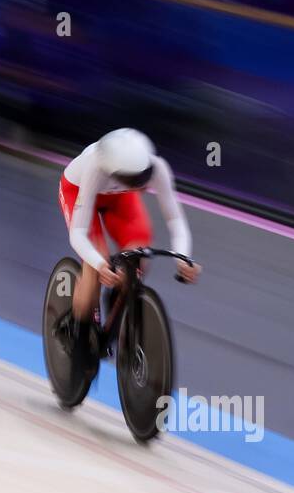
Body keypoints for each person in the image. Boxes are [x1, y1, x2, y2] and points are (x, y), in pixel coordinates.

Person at [57, 129, 200, 353]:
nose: (140, 184)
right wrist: (98, 263)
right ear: (114, 171)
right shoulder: (95, 167)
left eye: (142, 178)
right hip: (79, 191)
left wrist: (183, 258)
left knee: (139, 257)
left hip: (120, 197)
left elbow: (175, 219)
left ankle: (118, 299)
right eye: (133, 179)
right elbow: (78, 233)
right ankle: (78, 334)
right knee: (95, 267)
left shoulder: (156, 167)